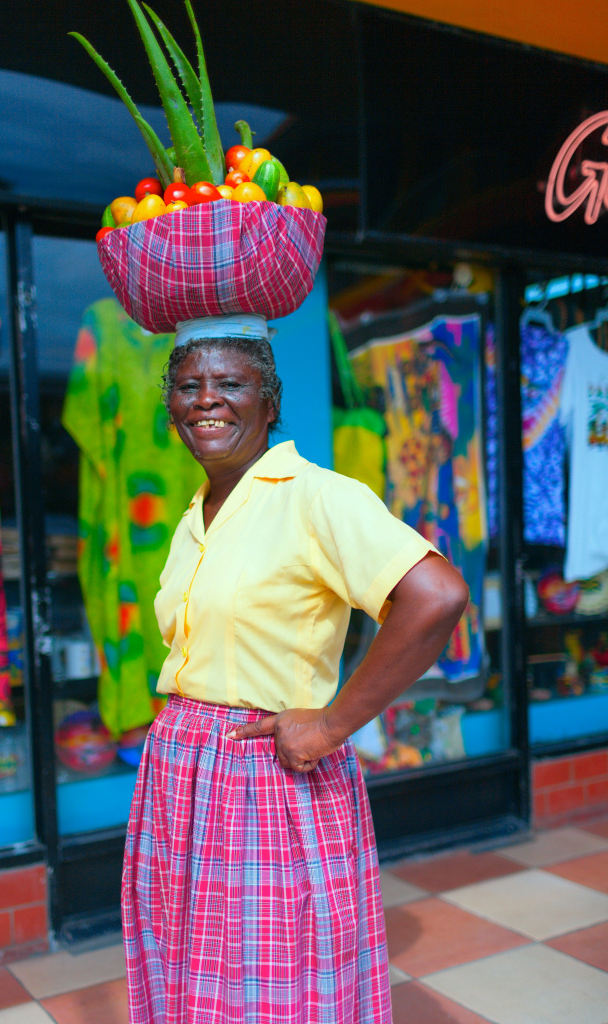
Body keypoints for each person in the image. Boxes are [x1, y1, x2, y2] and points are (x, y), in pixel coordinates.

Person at [121, 317, 469, 1024]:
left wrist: (335, 722)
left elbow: (436, 596)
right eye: (188, 387)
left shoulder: (314, 495)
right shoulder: (197, 514)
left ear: (270, 402)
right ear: (170, 408)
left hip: (268, 773)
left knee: (273, 988)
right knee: (196, 973)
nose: (206, 400)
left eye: (230, 384)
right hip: (184, 772)